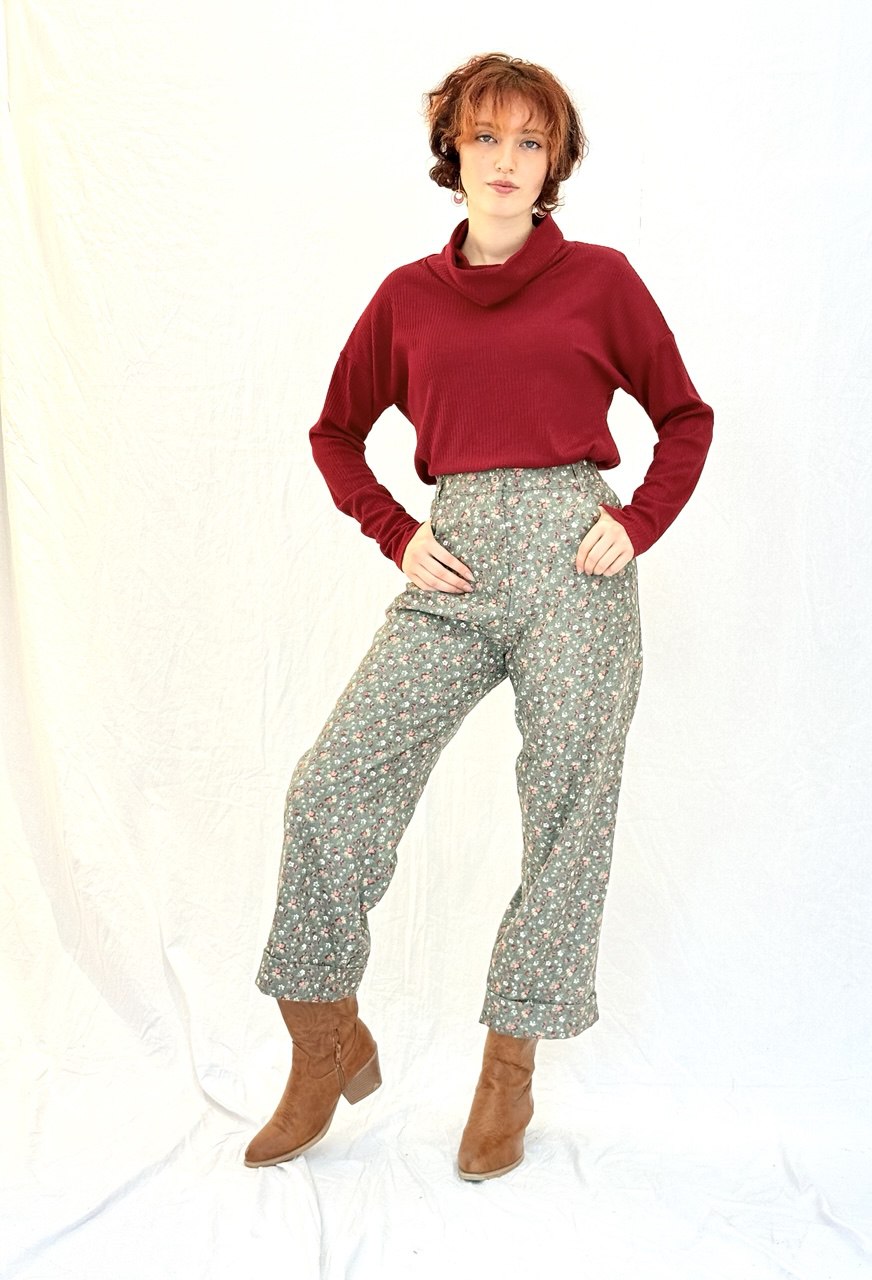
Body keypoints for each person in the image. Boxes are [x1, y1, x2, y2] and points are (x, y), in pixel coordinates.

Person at [244, 52, 713, 1180]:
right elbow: (334, 432)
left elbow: (685, 416)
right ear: (451, 150)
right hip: (451, 566)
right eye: (486, 137)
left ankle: (510, 1067)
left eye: (530, 142)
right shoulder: (407, 297)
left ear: (555, 163)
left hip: (574, 565)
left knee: (566, 809)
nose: (506, 160)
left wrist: (638, 522)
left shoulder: (601, 280)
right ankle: (321, 1035)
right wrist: (397, 532)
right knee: (331, 782)